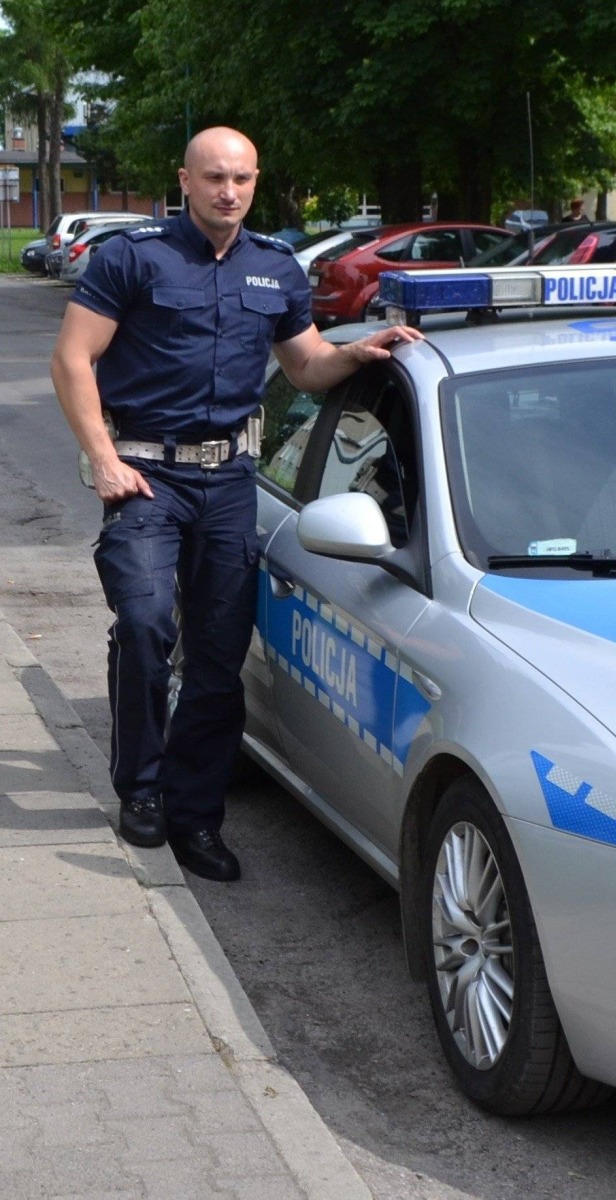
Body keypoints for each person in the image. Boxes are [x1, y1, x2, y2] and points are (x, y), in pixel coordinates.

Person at [50, 127, 424, 882]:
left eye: (243, 178)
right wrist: (102, 459)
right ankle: (143, 790)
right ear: (184, 180)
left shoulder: (276, 268)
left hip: (229, 484)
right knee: (149, 623)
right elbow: (72, 358)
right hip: (146, 474)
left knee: (221, 657)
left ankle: (196, 816)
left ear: (256, 183)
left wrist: (353, 354)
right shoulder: (134, 256)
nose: (229, 190)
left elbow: (305, 362)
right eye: (215, 177)